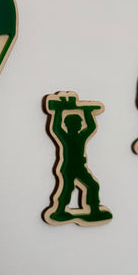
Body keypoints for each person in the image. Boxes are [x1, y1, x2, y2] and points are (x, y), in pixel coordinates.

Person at [44, 93, 112, 224]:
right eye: (77, 123)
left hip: (80, 167)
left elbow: (91, 127)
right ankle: (59, 211)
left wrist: (87, 112)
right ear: (69, 125)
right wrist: (58, 112)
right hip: (69, 168)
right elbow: (56, 128)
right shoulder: (66, 138)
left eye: (80, 123)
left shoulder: (81, 137)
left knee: (92, 186)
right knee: (67, 189)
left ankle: (94, 210)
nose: (80, 125)